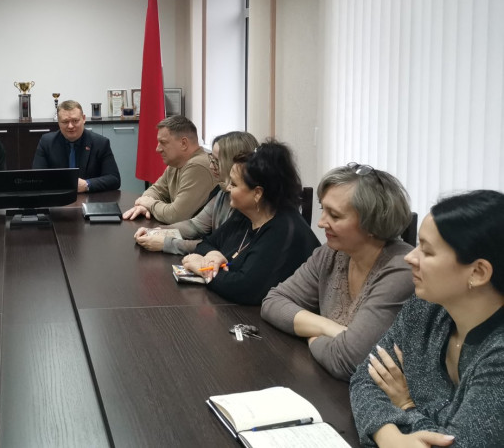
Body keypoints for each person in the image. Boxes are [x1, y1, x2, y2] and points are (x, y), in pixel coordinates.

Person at [350, 190, 504, 448]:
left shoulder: (498, 354)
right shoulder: (426, 307)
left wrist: (407, 405)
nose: (410, 257)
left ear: (478, 272)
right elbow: (365, 378)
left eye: (427, 251)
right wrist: (389, 438)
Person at [261, 163, 414, 381]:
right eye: (323, 210)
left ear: (372, 222)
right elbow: (273, 302)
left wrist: (313, 337)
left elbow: (349, 362)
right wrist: (330, 328)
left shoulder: (401, 269)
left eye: (334, 215)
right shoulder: (332, 253)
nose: (321, 223)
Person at [181, 140, 319, 305]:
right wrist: (213, 255)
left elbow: (244, 289)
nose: (228, 188)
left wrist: (203, 269)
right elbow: (206, 244)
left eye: (234, 184)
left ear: (257, 193)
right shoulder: (244, 215)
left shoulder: (284, 230)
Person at [134, 131, 258, 254]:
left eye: (217, 161)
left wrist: (166, 244)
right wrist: (156, 231)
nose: (211, 166)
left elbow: (219, 246)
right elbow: (195, 226)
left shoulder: (246, 205)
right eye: (211, 158)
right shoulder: (222, 192)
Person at [122, 116, 217, 224]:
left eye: (163, 142)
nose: (157, 149)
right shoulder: (176, 163)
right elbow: (156, 190)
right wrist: (144, 205)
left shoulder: (198, 166)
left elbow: (176, 215)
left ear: (184, 143)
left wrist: (149, 204)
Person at [32, 100, 120, 193]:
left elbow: (114, 179)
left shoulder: (100, 143)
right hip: (58, 196)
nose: (70, 126)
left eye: (75, 121)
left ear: (84, 119)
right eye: (65, 122)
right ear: (58, 122)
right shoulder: (47, 142)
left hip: (90, 197)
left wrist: (87, 184)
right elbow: (37, 178)